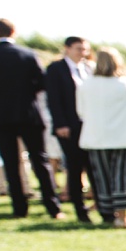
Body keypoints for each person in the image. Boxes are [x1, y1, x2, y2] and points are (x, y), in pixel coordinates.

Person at [76, 46, 126, 231]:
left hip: (95, 139)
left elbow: (81, 112)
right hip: (122, 137)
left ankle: (108, 214)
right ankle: (122, 217)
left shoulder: (86, 85)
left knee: (103, 177)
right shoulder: (125, 83)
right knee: (122, 177)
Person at [0, 19, 62, 218]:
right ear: (13, 31)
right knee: (40, 160)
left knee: (11, 163)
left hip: (1, 117)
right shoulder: (28, 54)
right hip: (29, 115)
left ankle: (19, 208)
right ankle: (53, 207)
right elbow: (42, 83)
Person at [42, 34, 99, 223]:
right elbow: (54, 99)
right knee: (75, 167)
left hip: (89, 126)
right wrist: (60, 124)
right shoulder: (56, 69)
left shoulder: (89, 69)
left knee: (93, 167)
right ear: (67, 48)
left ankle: (100, 205)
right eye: (79, 49)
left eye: (85, 49)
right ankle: (80, 210)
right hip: (68, 126)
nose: (83, 53)